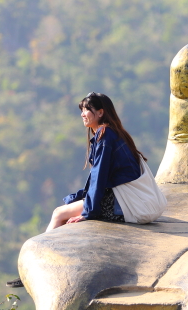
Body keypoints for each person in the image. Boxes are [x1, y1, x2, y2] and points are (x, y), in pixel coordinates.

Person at [46, 92, 146, 232]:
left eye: (87, 109)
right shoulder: (113, 133)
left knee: (59, 214)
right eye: (82, 110)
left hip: (120, 204)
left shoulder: (105, 136)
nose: (82, 114)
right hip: (126, 200)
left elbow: (99, 177)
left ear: (100, 113)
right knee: (65, 211)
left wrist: (88, 213)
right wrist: (77, 198)